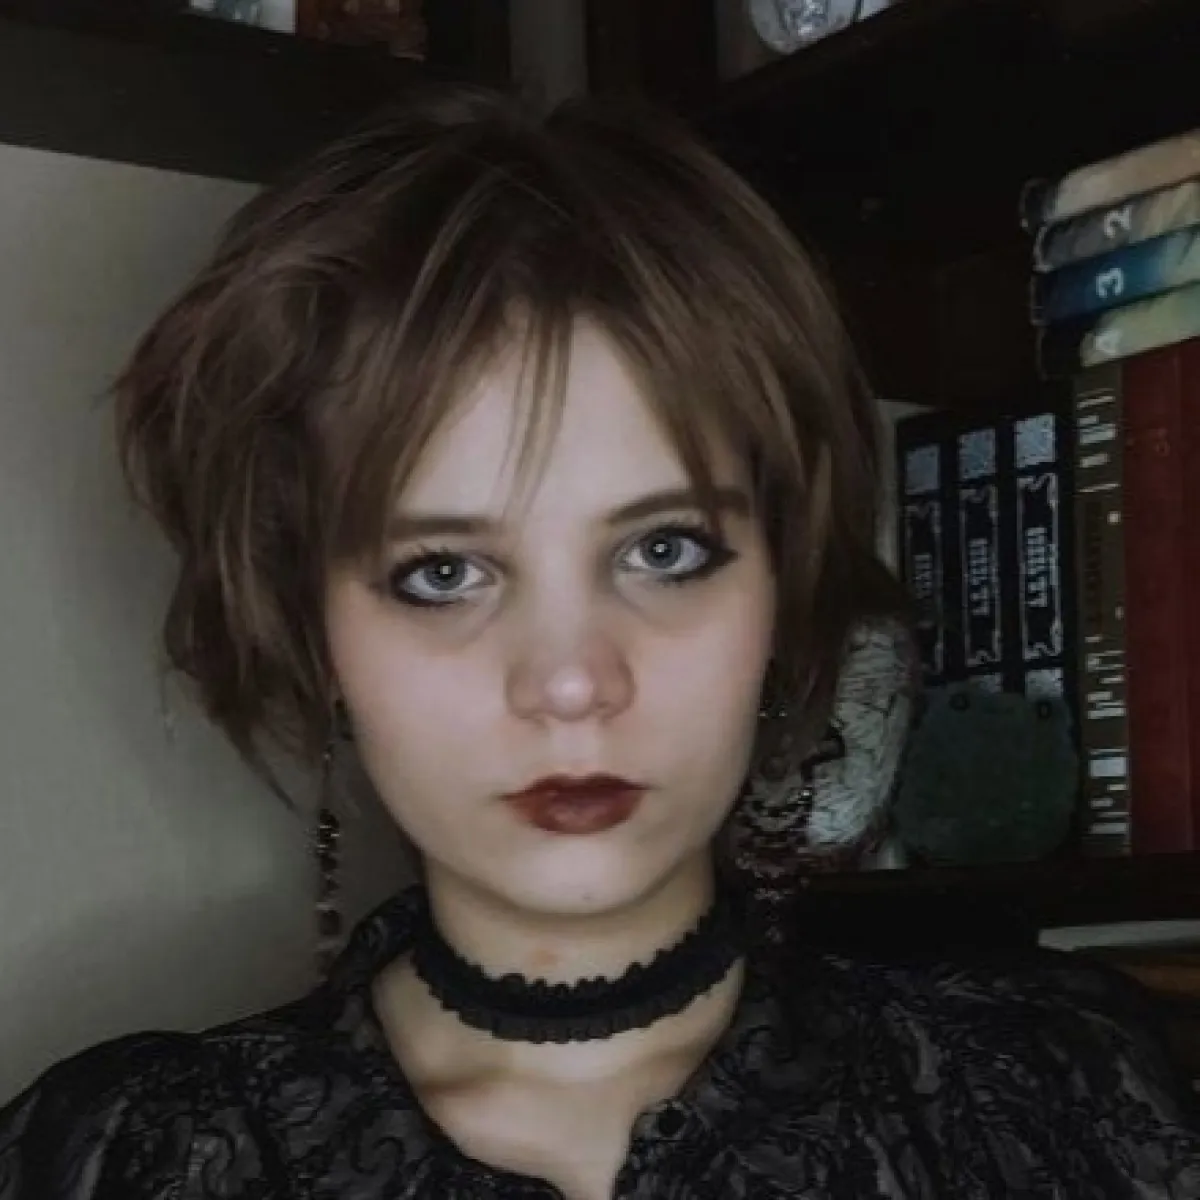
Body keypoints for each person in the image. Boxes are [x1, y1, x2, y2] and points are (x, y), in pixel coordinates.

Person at [1, 84, 1197, 1200]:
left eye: (664, 551)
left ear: (779, 584)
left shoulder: (1056, 1092)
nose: (573, 683)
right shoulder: (124, 1158)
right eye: (443, 573)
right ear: (314, 631)